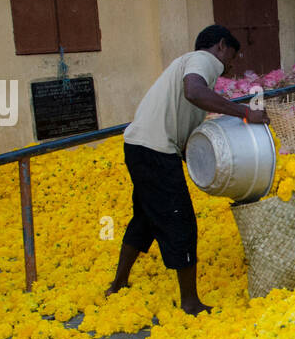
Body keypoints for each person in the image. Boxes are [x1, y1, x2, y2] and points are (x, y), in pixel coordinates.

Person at [108, 25, 268, 315]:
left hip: (138, 147)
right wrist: (246, 111)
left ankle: (118, 283)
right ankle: (190, 302)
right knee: (180, 222)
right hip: (155, 151)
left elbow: (188, 141)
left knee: (144, 219)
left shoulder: (192, 73)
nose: (231, 64)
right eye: (232, 55)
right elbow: (193, 91)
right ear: (220, 46)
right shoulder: (203, 60)